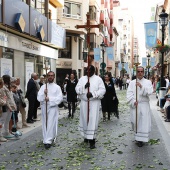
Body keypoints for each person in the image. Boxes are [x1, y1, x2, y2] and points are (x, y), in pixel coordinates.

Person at [75, 65, 106, 149]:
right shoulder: (82, 79)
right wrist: (84, 87)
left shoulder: (98, 79)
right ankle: (86, 135)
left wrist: (93, 94)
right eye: (87, 71)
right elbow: (77, 88)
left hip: (94, 103)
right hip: (84, 102)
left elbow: (103, 90)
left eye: (90, 70)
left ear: (94, 71)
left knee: (92, 120)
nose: (88, 72)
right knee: (85, 119)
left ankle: (92, 139)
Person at [126, 66, 153, 147]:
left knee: (143, 122)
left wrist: (141, 87)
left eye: (141, 71)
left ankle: (141, 139)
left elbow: (150, 92)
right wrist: (133, 102)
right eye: (138, 71)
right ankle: (137, 137)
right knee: (135, 121)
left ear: (143, 72)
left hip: (144, 105)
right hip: (136, 105)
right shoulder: (132, 83)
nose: (140, 73)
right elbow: (129, 94)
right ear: (136, 72)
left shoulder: (148, 82)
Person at [37, 71, 63, 149]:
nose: (50, 77)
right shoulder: (43, 87)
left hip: (52, 107)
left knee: (51, 123)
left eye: (52, 75)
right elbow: (39, 98)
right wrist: (43, 94)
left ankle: (49, 140)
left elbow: (60, 98)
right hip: (45, 107)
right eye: (49, 75)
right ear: (47, 77)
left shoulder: (57, 87)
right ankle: (45, 138)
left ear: (54, 77)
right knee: (45, 123)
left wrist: (50, 99)